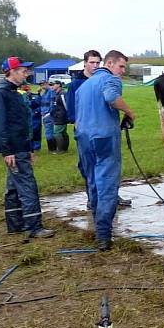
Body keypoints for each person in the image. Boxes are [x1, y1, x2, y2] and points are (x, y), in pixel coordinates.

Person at [74, 50, 136, 251]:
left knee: (91, 180)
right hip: (104, 137)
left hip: (83, 137)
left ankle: (97, 227)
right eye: (121, 66)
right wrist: (128, 112)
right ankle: (103, 235)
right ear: (109, 63)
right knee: (107, 182)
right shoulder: (111, 80)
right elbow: (110, 97)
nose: (122, 71)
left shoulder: (82, 87)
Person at [0, 56, 55, 239]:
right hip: (14, 149)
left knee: (13, 187)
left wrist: (30, 148)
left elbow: (22, 123)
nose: (26, 73)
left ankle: (15, 224)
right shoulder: (1, 93)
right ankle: (34, 226)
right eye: (23, 70)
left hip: (21, 146)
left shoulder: (13, 92)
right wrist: (7, 150)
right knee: (27, 186)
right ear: (12, 71)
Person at [69, 50, 131, 207]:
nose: (95, 65)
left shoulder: (89, 84)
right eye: (92, 62)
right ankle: (101, 211)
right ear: (85, 63)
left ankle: (103, 203)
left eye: (97, 62)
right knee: (100, 172)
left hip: (87, 134)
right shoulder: (78, 84)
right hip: (94, 133)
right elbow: (74, 113)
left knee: (96, 172)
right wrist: (129, 112)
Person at [49, 81, 69, 153]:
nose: (52, 86)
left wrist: (67, 115)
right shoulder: (57, 94)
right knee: (63, 132)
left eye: (53, 85)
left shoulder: (62, 94)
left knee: (57, 132)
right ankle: (64, 148)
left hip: (61, 116)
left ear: (58, 85)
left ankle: (60, 149)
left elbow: (66, 105)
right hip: (58, 115)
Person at [38, 80, 57, 152]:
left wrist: (50, 112)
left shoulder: (51, 92)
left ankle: (52, 148)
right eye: (40, 85)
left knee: (49, 131)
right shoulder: (44, 92)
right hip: (44, 113)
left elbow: (52, 103)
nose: (42, 86)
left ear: (46, 84)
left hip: (48, 113)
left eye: (43, 84)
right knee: (48, 131)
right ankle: (52, 148)